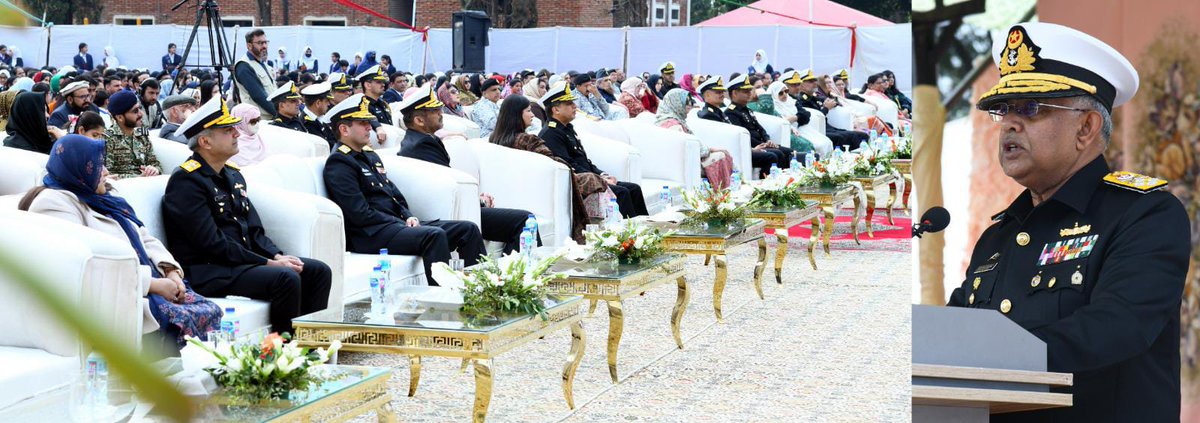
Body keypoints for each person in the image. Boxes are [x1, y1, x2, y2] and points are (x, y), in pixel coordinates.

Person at [945, 22, 1187, 422]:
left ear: (1086, 127)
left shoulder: (1144, 215)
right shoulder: (998, 237)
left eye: (1031, 108)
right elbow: (951, 336)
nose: (1009, 123)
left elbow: (1115, 327)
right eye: (1003, 110)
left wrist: (988, 357)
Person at [21, 134, 223, 352]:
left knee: (209, 309)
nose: (106, 172)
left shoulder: (106, 196)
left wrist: (171, 271)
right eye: (97, 166)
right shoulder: (54, 203)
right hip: (114, 294)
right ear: (79, 169)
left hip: (145, 282)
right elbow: (85, 263)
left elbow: (144, 236)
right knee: (173, 317)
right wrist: (152, 285)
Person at [164, 96, 332, 334]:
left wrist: (276, 254)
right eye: (227, 130)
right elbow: (211, 243)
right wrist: (268, 263)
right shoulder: (187, 180)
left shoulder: (232, 175)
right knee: (284, 278)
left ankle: (310, 346)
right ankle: (281, 353)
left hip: (239, 263)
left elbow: (253, 229)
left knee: (316, 270)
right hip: (209, 270)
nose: (236, 134)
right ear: (205, 141)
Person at [322, 94, 484, 285]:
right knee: (433, 235)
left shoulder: (368, 155)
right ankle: (444, 298)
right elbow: (359, 213)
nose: (369, 127)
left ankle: (480, 289)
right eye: (362, 123)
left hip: (393, 225)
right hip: (371, 234)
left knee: (468, 229)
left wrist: (407, 216)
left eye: (368, 121)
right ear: (344, 129)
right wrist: (398, 222)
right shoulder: (340, 162)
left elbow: (393, 193)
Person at [397, 86, 537, 254]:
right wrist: (477, 201)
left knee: (521, 220)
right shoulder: (421, 145)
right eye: (435, 111)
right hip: (455, 213)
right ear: (419, 120)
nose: (441, 113)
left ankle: (510, 267)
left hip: (459, 206)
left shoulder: (423, 139)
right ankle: (521, 273)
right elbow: (445, 186)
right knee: (524, 220)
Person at [489, 94, 611, 242]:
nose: (533, 114)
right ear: (516, 115)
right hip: (542, 188)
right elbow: (552, 162)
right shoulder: (528, 140)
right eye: (528, 111)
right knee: (599, 183)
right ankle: (607, 236)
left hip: (516, 190)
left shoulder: (494, 140)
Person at [540, 81, 648, 218]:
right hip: (580, 183)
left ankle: (646, 228)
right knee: (621, 193)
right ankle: (631, 235)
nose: (575, 106)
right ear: (555, 110)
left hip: (591, 178)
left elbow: (584, 160)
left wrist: (602, 174)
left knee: (634, 188)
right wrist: (599, 180)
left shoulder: (567, 128)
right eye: (569, 104)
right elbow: (569, 165)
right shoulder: (551, 133)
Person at [655, 88, 735, 189]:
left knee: (721, 153)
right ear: (676, 103)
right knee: (720, 156)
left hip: (686, 160)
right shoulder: (672, 125)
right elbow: (686, 149)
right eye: (685, 103)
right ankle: (722, 192)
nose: (689, 106)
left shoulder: (673, 119)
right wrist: (709, 150)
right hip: (680, 164)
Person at [785, 69, 868, 150]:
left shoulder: (814, 97)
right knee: (841, 137)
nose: (815, 83)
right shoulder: (802, 99)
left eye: (815, 80)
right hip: (815, 129)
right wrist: (826, 108)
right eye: (810, 81)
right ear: (802, 84)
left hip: (827, 127)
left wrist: (830, 100)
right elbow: (813, 118)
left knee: (862, 135)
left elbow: (834, 101)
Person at [725, 74, 793, 173]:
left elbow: (760, 128)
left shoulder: (747, 110)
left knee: (789, 152)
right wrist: (764, 144)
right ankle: (770, 182)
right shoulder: (731, 112)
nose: (749, 93)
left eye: (749, 90)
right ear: (734, 93)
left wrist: (767, 139)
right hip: (751, 146)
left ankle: (787, 180)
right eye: (745, 91)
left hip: (762, 144)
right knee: (776, 154)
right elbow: (743, 135)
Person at [104, 90, 162, 178]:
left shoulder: (142, 135)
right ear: (120, 117)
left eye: (139, 109)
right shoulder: (107, 139)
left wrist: (154, 170)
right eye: (135, 111)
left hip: (148, 183)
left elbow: (155, 163)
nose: (141, 114)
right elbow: (107, 175)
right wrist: (137, 178)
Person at [234, 29, 278, 119]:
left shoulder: (262, 63)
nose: (264, 46)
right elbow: (259, 96)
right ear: (249, 46)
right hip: (258, 121)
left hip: (271, 117)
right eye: (260, 43)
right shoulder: (244, 66)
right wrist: (280, 114)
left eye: (265, 42)